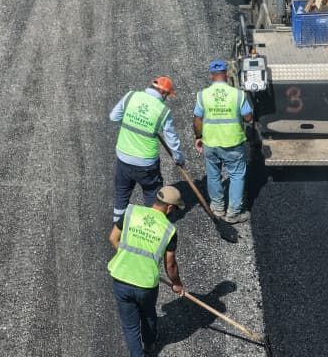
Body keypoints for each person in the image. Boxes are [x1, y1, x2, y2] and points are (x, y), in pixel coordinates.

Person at [108, 186, 185, 357]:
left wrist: (127, 255)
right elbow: (170, 265)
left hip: (121, 277)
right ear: (170, 207)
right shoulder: (168, 229)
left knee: (130, 327)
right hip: (145, 285)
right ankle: (150, 344)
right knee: (148, 313)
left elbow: (113, 238)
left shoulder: (131, 212)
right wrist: (177, 284)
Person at [110, 76, 185, 225]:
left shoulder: (131, 96)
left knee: (122, 194)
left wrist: (131, 125)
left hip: (123, 157)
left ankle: (117, 228)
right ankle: (150, 228)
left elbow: (114, 117)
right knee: (152, 194)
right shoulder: (163, 111)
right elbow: (172, 141)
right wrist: (179, 158)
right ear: (164, 94)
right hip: (146, 164)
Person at [193, 60, 254, 222]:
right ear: (226, 74)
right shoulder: (238, 94)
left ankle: (218, 208)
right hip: (233, 143)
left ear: (211, 75)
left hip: (211, 143)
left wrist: (199, 137)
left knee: (213, 176)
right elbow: (248, 117)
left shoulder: (203, 95)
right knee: (236, 176)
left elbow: (197, 119)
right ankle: (233, 213)